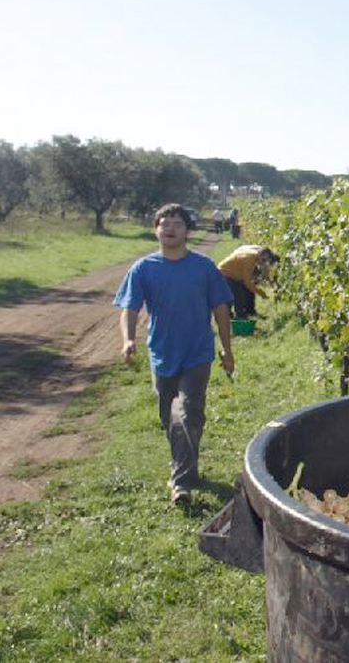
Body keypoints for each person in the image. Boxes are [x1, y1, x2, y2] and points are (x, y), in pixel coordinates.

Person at [114, 203, 235, 504]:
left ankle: (180, 482)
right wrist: (128, 340)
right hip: (161, 354)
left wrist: (226, 348)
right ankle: (186, 464)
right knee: (170, 417)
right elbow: (130, 307)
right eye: (164, 223)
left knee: (186, 411)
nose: (169, 228)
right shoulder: (144, 268)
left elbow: (221, 308)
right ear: (156, 229)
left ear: (187, 231)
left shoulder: (203, 267)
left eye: (177, 223)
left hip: (197, 353)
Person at [217, 245, 278, 319]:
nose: (264, 262)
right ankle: (241, 318)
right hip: (224, 273)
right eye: (263, 260)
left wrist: (271, 282)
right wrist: (261, 293)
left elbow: (265, 271)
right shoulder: (250, 259)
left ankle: (234, 316)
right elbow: (247, 282)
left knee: (237, 294)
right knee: (237, 295)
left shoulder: (257, 257)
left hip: (232, 275)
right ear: (260, 254)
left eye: (266, 261)